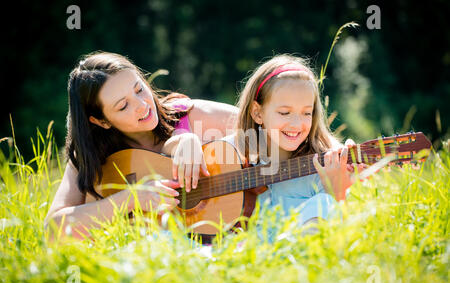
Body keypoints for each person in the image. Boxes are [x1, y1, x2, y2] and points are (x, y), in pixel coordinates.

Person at [44, 51, 238, 239]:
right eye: (123, 106)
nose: (142, 105)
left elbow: (263, 128)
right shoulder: (92, 156)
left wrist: (189, 138)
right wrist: (130, 199)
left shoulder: (191, 115)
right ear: (101, 121)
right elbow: (53, 231)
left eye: (139, 89)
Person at [224, 54, 366, 241]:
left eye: (307, 113)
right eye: (285, 112)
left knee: (325, 202)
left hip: (296, 255)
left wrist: (338, 191)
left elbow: (346, 233)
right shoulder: (232, 152)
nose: (296, 124)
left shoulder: (326, 164)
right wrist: (184, 141)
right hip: (242, 254)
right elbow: (185, 164)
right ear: (258, 113)